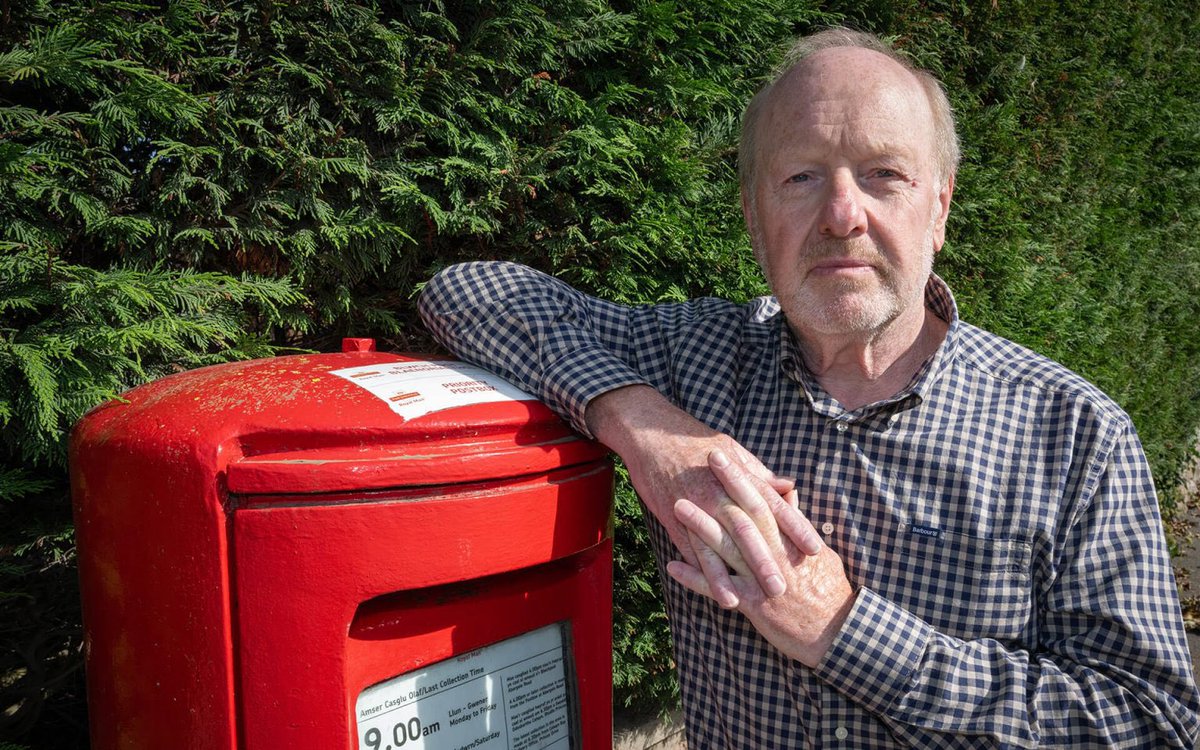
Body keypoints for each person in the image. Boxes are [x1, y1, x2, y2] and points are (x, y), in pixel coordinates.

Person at [418, 27, 1200, 748]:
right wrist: (648, 428)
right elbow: (467, 292)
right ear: (756, 218)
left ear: (940, 207)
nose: (841, 214)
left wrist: (845, 630)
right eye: (800, 177)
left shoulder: (1073, 433)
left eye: (884, 174)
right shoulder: (692, 359)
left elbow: (1152, 723)